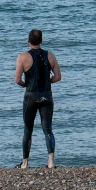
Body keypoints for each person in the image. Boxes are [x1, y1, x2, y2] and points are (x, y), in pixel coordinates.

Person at [15, 29, 62, 169]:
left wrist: (26, 85)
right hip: (46, 96)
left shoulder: (23, 57)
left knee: (28, 130)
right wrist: (47, 82)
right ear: (41, 40)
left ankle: (25, 163)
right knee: (48, 129)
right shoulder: (50, 55)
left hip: (31, 96)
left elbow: (17, 80)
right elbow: (58, 77)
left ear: (28, 41)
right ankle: (51, 162)